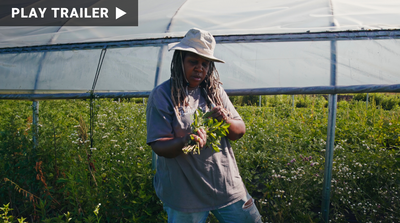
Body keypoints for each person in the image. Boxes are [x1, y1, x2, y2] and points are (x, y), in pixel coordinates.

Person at [146, 28, 262, 223]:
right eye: (193, 61)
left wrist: (224, 120)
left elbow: (239, 130)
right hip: (185, 195)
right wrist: (186, 140)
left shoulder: (214, 91)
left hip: (225, 186)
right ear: (179, 61)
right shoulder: (163, 95)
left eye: (205, 64)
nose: (200, 68)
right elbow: (159, 145)